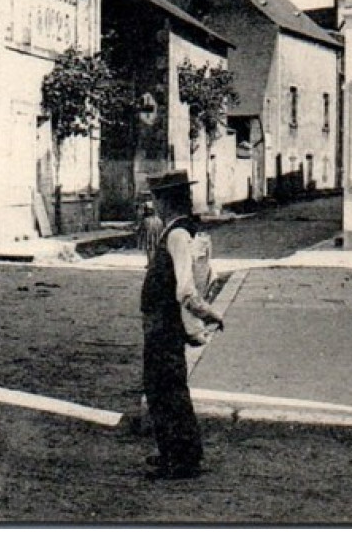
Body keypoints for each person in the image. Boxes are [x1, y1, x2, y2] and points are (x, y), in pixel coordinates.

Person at [140, 171, 224, 479]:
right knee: (162, 387)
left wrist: (208, 314)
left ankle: (182, 460)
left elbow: (185, 289)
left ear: (165, 202)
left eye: (156, 199)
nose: (154, 206)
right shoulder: (175, 232)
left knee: (166, 389)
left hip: (164, 324)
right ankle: (174, 454)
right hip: (160, 323)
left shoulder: (177, 236)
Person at [136, 198, 164, 266]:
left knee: (150, 248)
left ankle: (151, 262)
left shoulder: (146, 220)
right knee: (156, 248)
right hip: (157, 236)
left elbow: (141, 229)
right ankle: (155, 262)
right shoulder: (159, 220)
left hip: (150, 236)